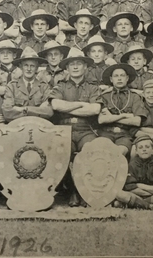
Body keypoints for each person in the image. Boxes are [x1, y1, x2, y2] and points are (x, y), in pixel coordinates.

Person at [47, 48, 101, 206]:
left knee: (91, 150)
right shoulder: (61, 86)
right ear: (67, 68)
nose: (75, 67)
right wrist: (81, 104)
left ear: (85, 66)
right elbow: (56, 105)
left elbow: (95, 109)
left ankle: (86, 190)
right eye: (72, 64)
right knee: (64, 151)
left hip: (86, 129)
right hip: (64, 128)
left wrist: (69, 106)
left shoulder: (92, 87)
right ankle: (72, 191)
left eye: (79, 63)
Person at [97, 64, 149, 157]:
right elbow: (101, 120)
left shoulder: (134, 97)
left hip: (125, 134)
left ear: (127, 78)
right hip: (106, 133)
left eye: (122, 75)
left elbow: (137, 121)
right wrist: (124, 116)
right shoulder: (104, 96)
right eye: (116, 76)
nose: (119, 78)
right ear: (111, 79)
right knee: (101, 152)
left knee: (118, 153)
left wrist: (111, 117)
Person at [114, 136, 153, 211]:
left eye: (147, 147)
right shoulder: (131, 165)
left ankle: (136, 204)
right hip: (138, 195)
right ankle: (152, 206)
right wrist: (151, 189)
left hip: (152, 196)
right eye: (140, 147)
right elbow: (130, 188)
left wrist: (140, 185)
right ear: (136, 151)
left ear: (152, 149)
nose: (144, 149)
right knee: (119, 194)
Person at [1, 47, 53, 121]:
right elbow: (7, 112)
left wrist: (25, 109)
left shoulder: (44, 87)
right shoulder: (12, 86)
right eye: (26, 65)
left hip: (39, 127)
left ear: (37, 68)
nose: (29, 69)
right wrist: (38, 110)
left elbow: (49, 112)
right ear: (21, 67)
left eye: (32, 66)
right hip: (17, 127)